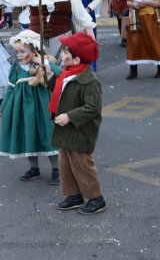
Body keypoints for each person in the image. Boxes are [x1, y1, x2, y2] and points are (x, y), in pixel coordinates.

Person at [48, 32, 105, 215]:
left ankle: (96, 198)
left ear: (77, 58)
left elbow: (92, 107)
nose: (61, 56)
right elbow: (59, 90)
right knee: (65, 162)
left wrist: (70, 116)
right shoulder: (67, 74)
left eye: (65, 53)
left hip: (80, 130)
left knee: (82, 164)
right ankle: (73, 195)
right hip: (66, 130)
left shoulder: (89, 81)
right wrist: (48, 75)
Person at [0, 30, 62, 185]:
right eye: (17, 51)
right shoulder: (16, 67)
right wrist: (4, 106)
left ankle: (56, 169)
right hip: (22, 107)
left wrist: (43, 63)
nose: (19, 55)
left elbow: (58, 74)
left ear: (34, 51)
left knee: (46, 134)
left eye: (23, 51)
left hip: (42, 106)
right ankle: (34, 168)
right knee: (27, 134)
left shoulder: (44, 64)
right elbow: (11, 87)